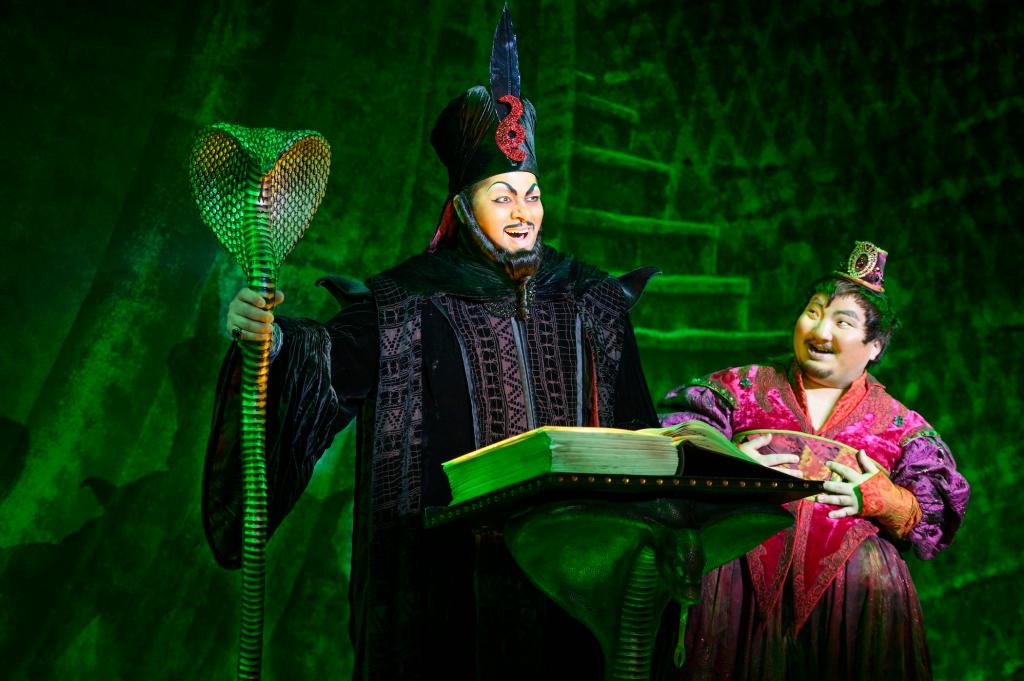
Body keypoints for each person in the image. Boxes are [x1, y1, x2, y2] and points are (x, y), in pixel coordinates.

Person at [202, 7, 659, 680]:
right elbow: (323, 365)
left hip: (568, 592)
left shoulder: (589, 299)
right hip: (446, 594)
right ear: (463, 207)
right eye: (502, 196)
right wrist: (270, 347)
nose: (523, 214)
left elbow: (641, 436)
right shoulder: (407, 301)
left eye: (532, 195)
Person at [659, 241, 969, 680]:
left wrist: (886, 500)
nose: (821, 331)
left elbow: (933, 515)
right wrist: (726, 464)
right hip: (734, 599)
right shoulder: (740, 388)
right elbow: (673, 443)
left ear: (875, 345)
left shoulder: (900, 425)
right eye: (814, 312)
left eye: (843, 322)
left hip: (855, 612)